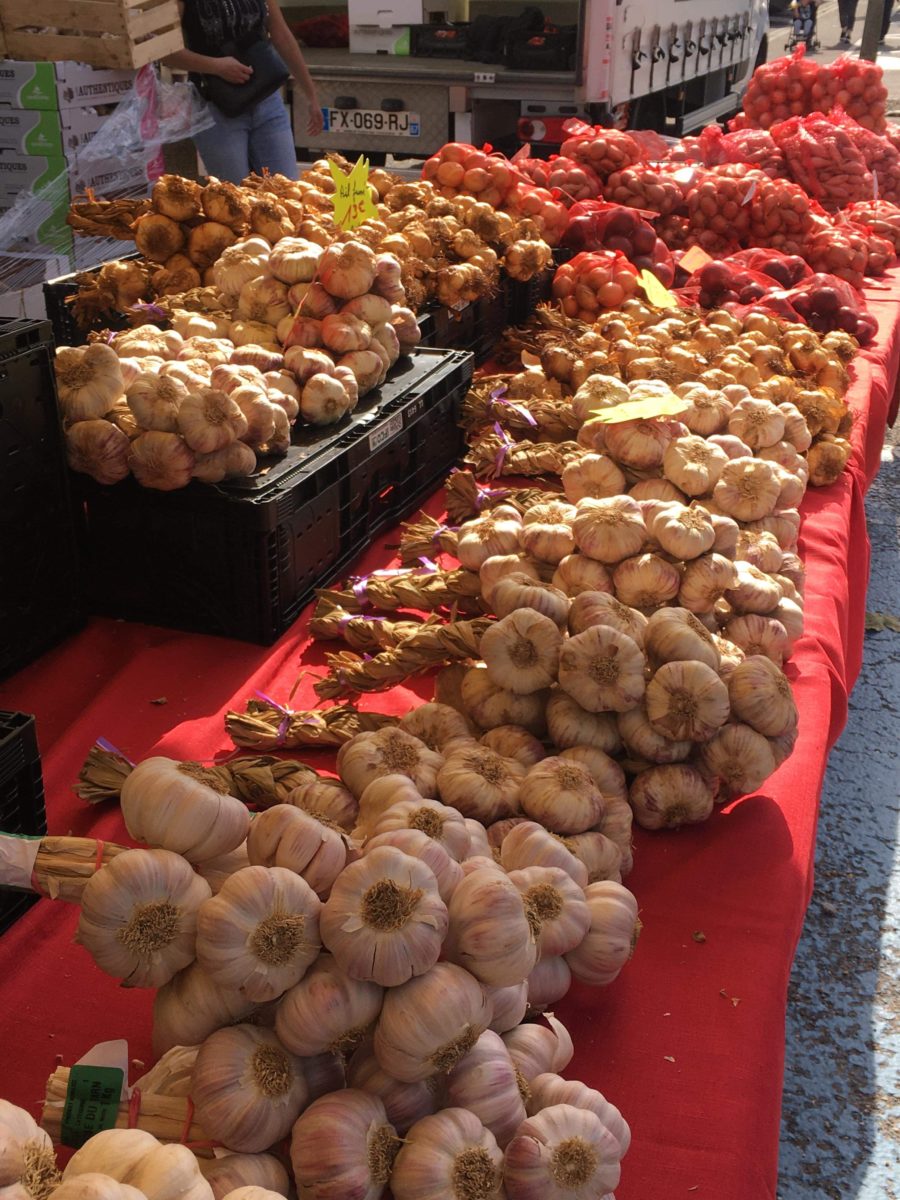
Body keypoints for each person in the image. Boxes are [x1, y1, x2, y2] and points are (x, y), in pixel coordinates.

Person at [163, 0, 323, 184]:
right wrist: (216, 67)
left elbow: (282, 36)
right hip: (216, 108)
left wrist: (311, 95)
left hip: (266, 99)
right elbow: (165, 52)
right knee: (236, 201)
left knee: (287, 191)